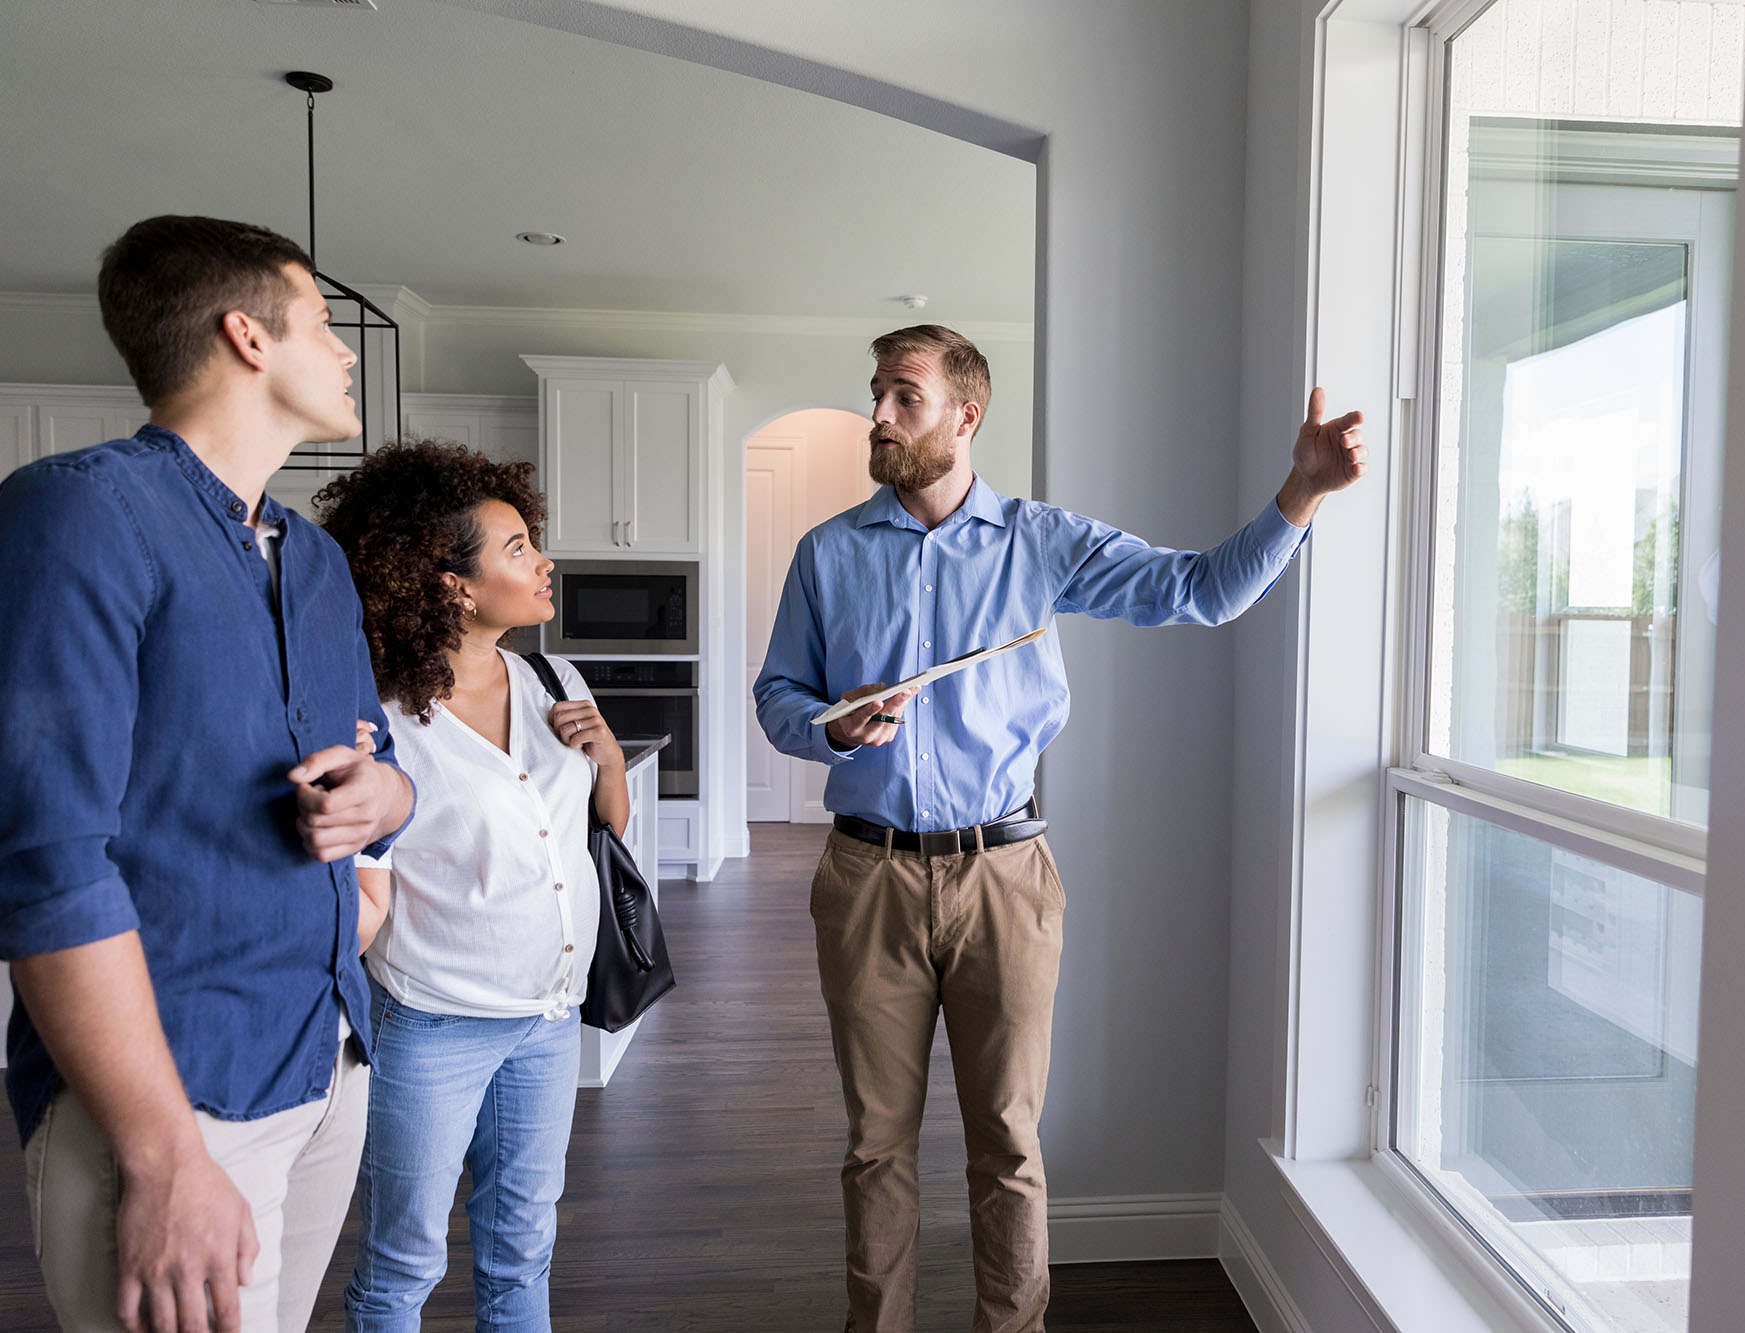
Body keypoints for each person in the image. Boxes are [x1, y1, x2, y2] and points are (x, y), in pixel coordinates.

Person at [753, 324, 1366, 1332]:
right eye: (876, 393)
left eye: (903, 395)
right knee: (875, 1143)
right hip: (866, 877)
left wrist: (1296, 494)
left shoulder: (1040, 542)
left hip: (1006, 878)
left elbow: (1199, 591)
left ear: (966, 412)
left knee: (1006, 1139)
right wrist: (831, 724)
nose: (878, 415)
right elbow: (778, 695)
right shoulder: (827, 551)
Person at [0, 215, 416, 1333]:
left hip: (326, 1058)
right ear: (247, 335)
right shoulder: (78, 511)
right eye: (323, 324)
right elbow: (45, 863)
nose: (344, 352)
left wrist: (385, 805)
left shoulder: (316, 558)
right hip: (175, 1096)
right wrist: (163, 1153)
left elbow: (381, 772)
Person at [314, 439, 627, 1332]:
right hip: (432, 1024)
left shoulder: (552, 678)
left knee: (523, 1249)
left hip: (548, 1017)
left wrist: (606, 754)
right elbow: (357, 880)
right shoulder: (379, 711)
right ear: (452, 585)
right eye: (518, 547)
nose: (545, 559)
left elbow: (611, 820)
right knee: (402, 1263)